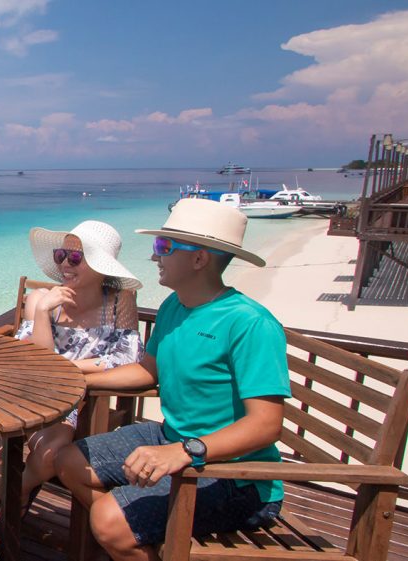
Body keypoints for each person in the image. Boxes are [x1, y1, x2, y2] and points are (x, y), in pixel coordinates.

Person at [55, 198, 289, 561]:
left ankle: (122, 531)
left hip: (236, 477)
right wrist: (80, 379)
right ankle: (139, 539)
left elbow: (266, 425)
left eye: (164, 247)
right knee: (68, 460)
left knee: (107, 520)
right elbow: (149, 371)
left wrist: (182, 452)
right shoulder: (175, 306)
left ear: (199, 259)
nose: (154, 257)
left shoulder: (249, 324)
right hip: (173, 435)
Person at [0, 220, 143, 561]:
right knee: (2, 445)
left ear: (101, 266)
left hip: (81, 401)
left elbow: (126, 359)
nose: (64, 264)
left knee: (49, 451)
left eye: (76, 257)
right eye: (62, 255)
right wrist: (43, 312)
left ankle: (20, 490)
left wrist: (67, 369)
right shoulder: (41, 298)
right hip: (31, 392)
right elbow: (38, 362)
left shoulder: (120, 301)